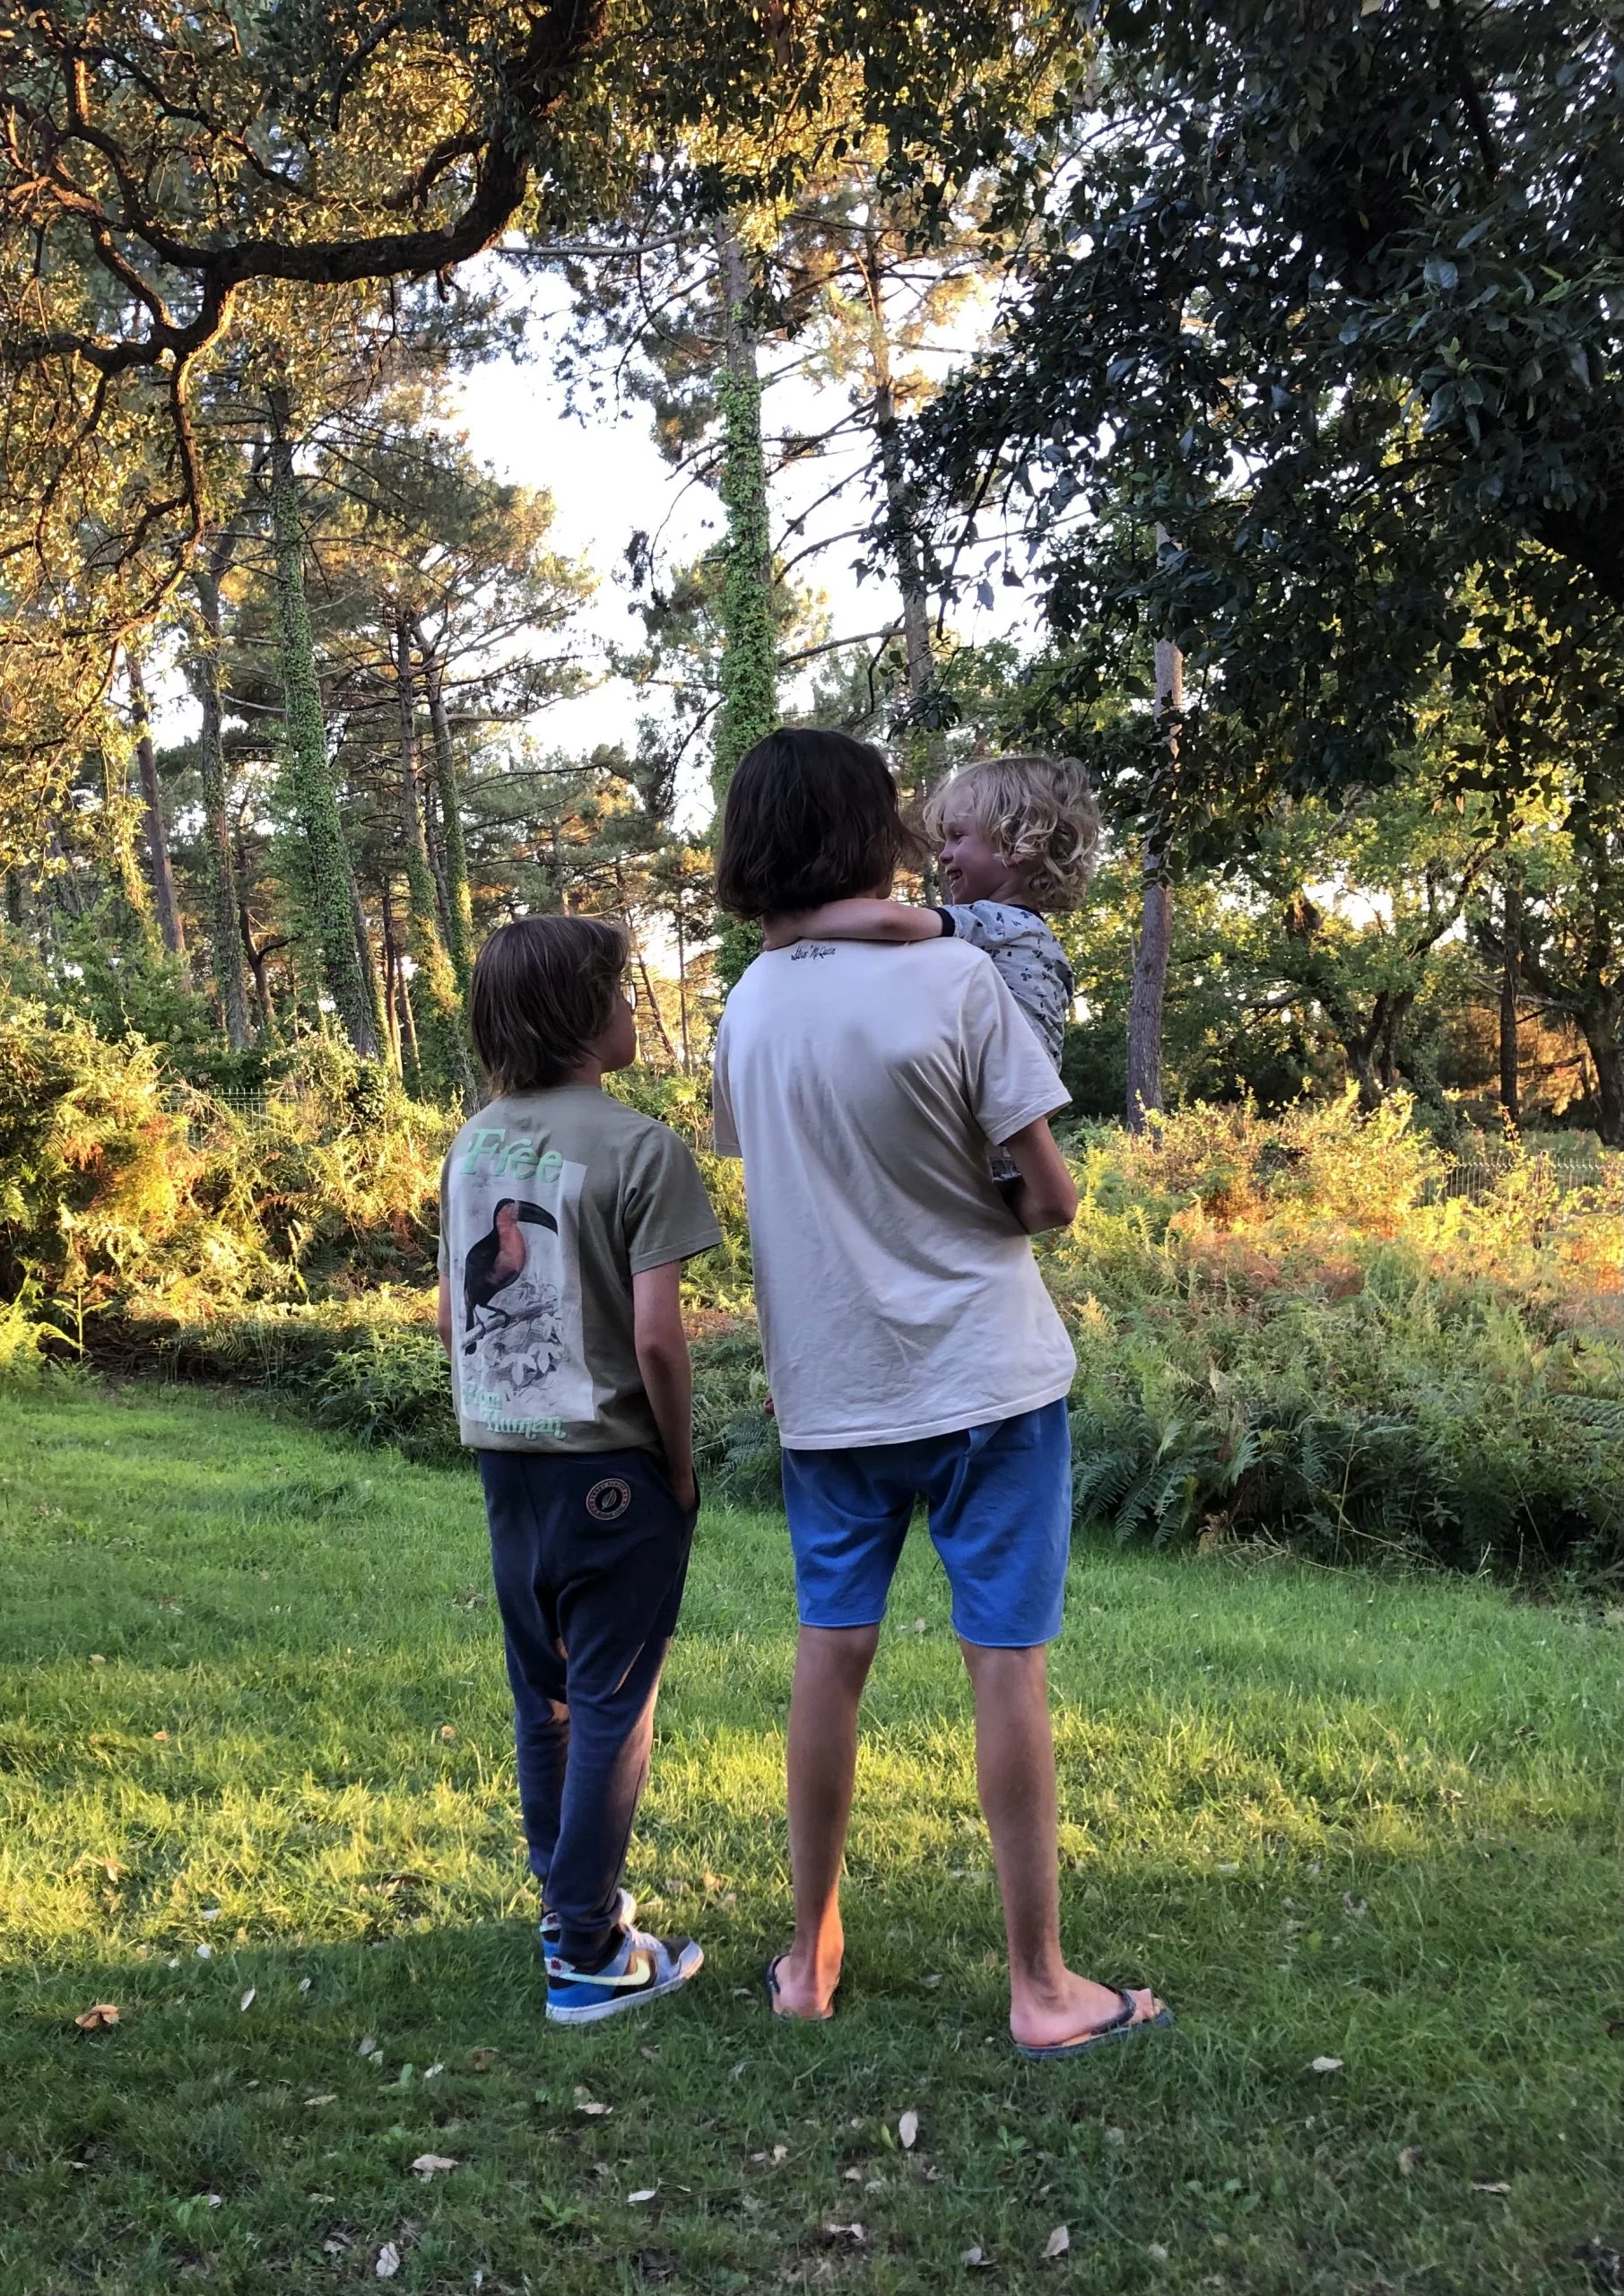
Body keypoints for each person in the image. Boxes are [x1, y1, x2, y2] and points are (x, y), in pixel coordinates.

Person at [711, 727, 1168, 2057]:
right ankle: (1039, 1987)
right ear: (875, 834)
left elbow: (787, 1181)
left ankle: (808, 1958)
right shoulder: (960, 977)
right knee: (1003, 1665)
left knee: (829, 1652)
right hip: (986, 1377)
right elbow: (1049, 1196)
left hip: (828, 1391)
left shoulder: (746, 1007)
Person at [437, 914, 721, 2026]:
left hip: (507, 1463)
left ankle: (565, 1908)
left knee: (544, 1697)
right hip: (612, 1468)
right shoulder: (642, 1148)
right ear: (582, 1012)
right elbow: (657, 1340)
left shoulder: (472, 1145)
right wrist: (678, 1468)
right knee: (610, 1702)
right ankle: (590, 1955)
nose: (629, 1004)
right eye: (618, 987)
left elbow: (451, 1314)